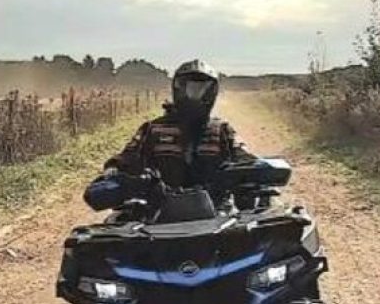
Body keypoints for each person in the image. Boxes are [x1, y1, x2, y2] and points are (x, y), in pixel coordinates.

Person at [84, 59, 256, 213]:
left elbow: (245, 158)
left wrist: (255, 171)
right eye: (191, 89)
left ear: (212, 92)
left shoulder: (222, 130)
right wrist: (114, 172)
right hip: (157, 215)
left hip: (217, 213)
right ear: (178, 89)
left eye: (202, 89)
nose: (196, 95)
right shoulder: (153, 128)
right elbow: (127, 158)